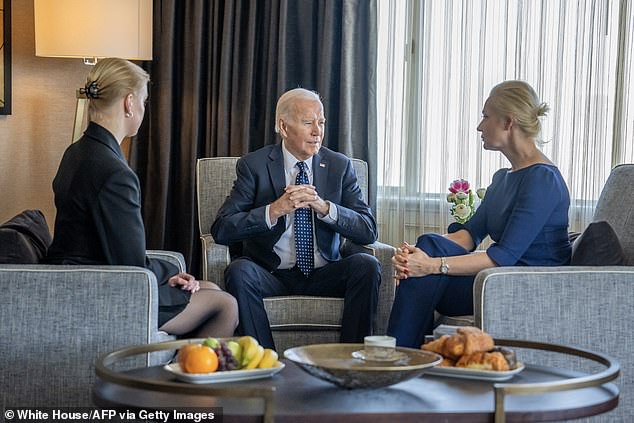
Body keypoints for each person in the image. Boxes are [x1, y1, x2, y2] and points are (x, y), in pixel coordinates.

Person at [44, 58, 238, 338]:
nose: (144, 110)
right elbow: (133, 266)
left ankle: (183, 375)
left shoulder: (76, 152)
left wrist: (168, 273)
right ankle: (186, 379)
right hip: (103, 293)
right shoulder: (114, 173)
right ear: (129, 102)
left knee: (211, 289)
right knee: (225, 305)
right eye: (144, 102)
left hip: (82, 280)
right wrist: (170, 270)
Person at [387, 80, 571, 348]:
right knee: (428, 244)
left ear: (508, 122)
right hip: (497, 279)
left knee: (426, 270)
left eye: (486, 117)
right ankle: (407, 359)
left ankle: (399, 359)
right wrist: (418, 254)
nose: (479, 126)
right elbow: (468, 235)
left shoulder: (543, 180)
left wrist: (430, 264)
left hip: (528, 286)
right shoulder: (503, 178)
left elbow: (503, 258)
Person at [210, 88, 381, 350]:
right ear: (283, 127)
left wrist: (325, 208)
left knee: (366, 265)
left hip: (325, 272)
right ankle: (263, 361)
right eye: (308, 122)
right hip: (272, 273)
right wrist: (275, 209)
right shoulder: (254, 166)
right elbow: (222, 228)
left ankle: (350, 359)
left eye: (321, 122)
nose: (317, 131)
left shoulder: (339, 165)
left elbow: (368, 230)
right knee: (239, 271)